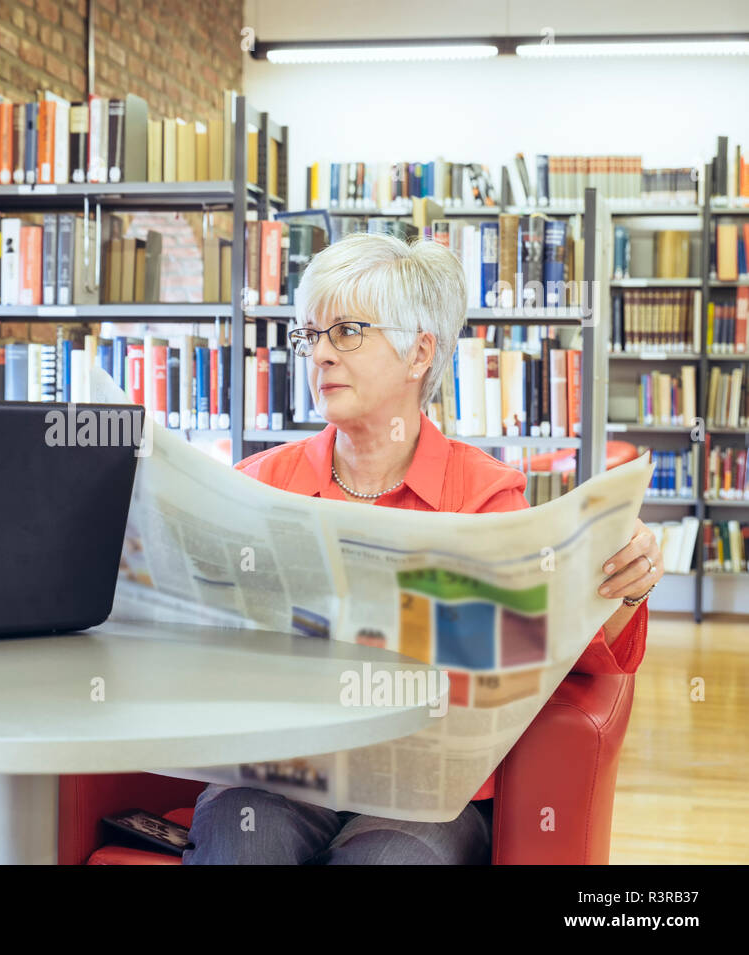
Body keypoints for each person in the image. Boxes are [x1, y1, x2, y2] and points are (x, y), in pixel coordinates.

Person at [181, 232, 658, 865]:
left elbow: (555, 651)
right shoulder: (258, 485)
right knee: (243, 843)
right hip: (282, 770)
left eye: (347, 331)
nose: (320, 355)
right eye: (310, 334)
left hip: (422, 790)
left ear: (418, 353)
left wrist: (625, 577)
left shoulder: (484, 495)